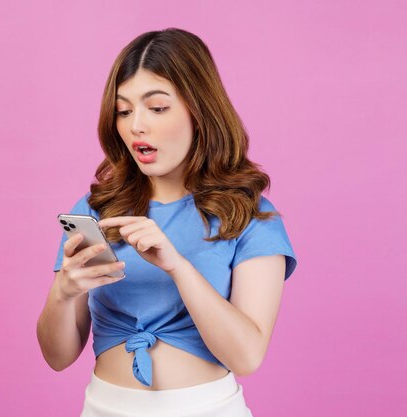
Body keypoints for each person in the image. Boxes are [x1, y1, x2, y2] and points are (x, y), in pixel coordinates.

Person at [37, 27, 298, 417]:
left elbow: (246, 356)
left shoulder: (249, 217)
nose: (135, 125)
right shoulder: (98, 210)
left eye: (157, 108)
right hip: (104, 406)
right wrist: (63, 291)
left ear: (200, 110)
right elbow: (57, 358)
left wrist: (178, 266)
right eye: (123, 110)